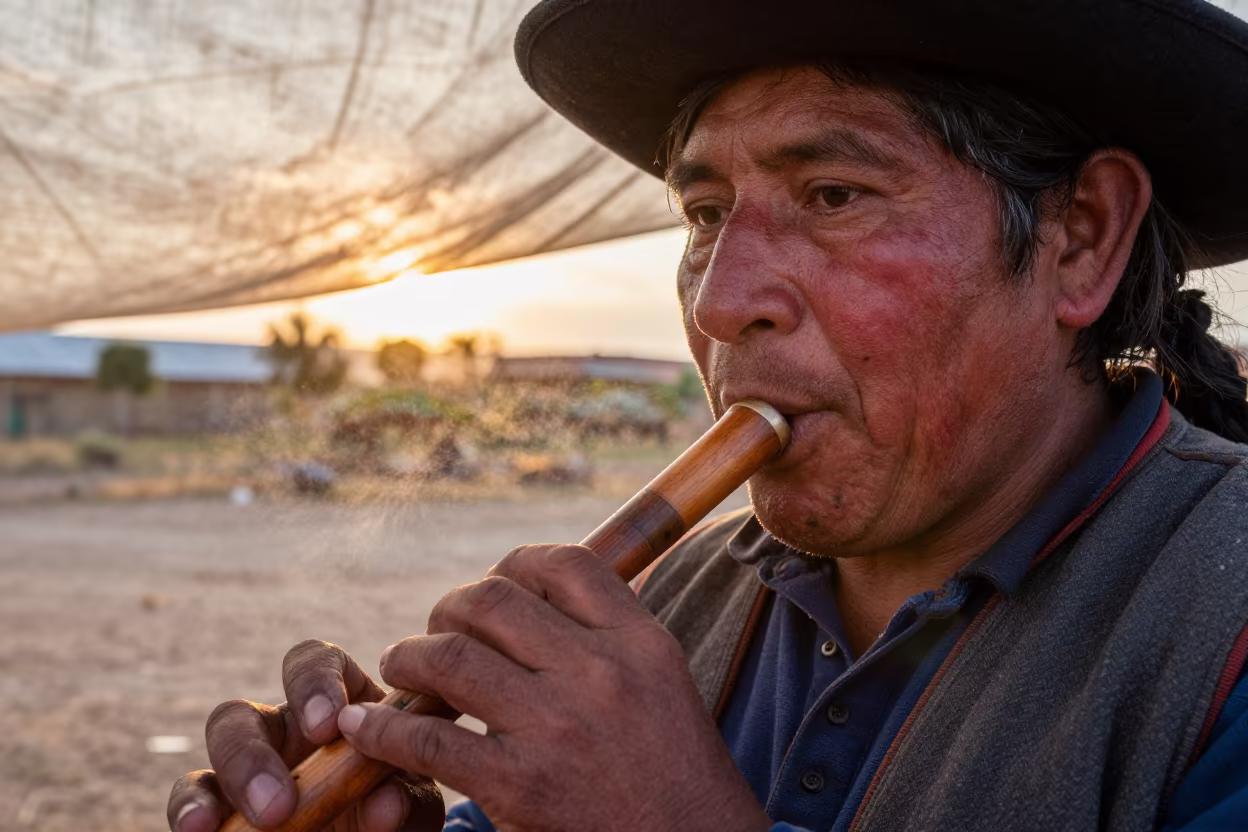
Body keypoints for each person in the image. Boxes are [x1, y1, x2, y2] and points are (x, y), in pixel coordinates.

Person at [168, 1, 1248, 830]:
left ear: (1081, 239)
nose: (723, 302)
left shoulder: (1220, 616)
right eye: (704, 215)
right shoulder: (666, 608)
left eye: (833, 196)